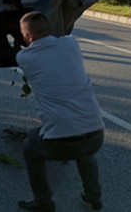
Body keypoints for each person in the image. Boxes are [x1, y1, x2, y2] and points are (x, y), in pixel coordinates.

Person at [16, 11, 104, 212]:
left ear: (28, 37)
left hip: (61, 142)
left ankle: (43, 202)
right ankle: (94, 197)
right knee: (85, 150)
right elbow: (61, 34)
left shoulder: (24, 57)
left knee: (30, 147)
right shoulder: (71, 44)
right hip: (96, 133)